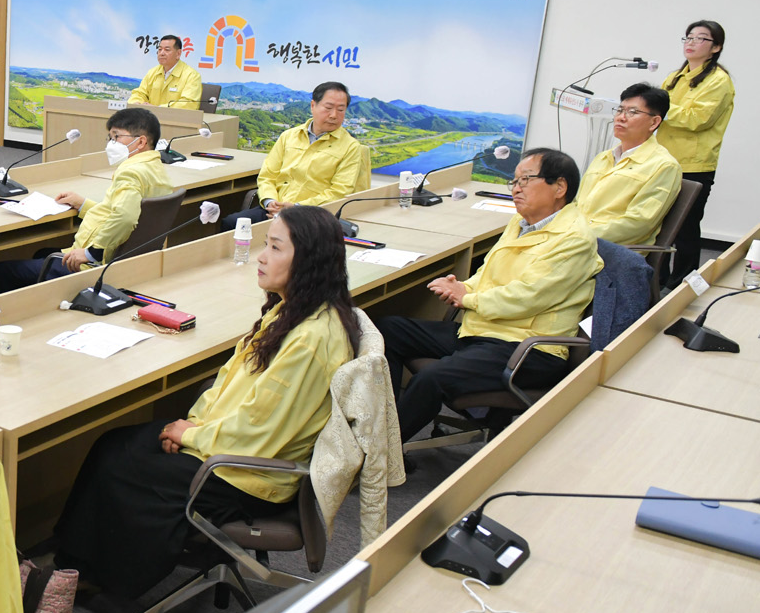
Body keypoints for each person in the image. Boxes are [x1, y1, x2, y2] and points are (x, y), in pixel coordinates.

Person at [53, 205, 360, 598]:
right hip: (227, 441)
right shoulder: (291, 310)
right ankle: (73, 567)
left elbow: (260, 431)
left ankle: (90, 578)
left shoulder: (311, 339)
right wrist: (192, 425)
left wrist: (190, 437)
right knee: (111, 444)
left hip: (249, 473)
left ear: (309, 261)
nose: (261, 256)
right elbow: (229, 380)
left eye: (275, 248)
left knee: (121, 465)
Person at [377, 148, 601, 443]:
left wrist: (466, 298)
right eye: (514, 181)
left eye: (526, 180)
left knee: (431, 379)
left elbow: (527, 297)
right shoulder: (520, 223)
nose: (516, 188)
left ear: (559, 187)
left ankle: (381, 457)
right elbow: (486, 273)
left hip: (526, 347)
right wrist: (463, 287)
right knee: (385, 330)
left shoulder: (574, 239)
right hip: (485, 329)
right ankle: (384, 425)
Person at [0, 107, 174, 292]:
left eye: (117, 137)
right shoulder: (156, 168)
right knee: (42, 253)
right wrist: (83, 205)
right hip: (129, 263)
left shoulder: (130, 172)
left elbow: (125, 217)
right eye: (110, 138)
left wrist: (93, 252)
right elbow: (121, 210)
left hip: (95, 266)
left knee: (2, 271)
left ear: (141, 142)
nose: (111, 144)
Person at [222, 81, 368, 230]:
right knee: (231, 223)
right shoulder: (289, 136)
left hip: (311, 216)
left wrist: (296, 208)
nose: (334, 115)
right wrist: (270, 201)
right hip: (274, 209)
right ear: (313, 105)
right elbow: (267, 176)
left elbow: (339, 192)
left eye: (341, 110)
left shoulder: (351, 147)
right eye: (328, 108)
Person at [659, 20, 733, 283]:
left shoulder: (718, 81)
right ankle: (657, 280)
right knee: (658, 224)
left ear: (716, 47)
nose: (691, 43)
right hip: (663, 159)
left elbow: (697, 119)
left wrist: (661, 108)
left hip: (694, 165)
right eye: (688, 37)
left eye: (700, 38)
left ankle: (683, 283)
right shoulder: (674, 77)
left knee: (685, 228)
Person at [575, 83, 682, 246]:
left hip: (609, 249)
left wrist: (578, 237)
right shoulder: (603, 157)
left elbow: (638, 223)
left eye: (632, 112)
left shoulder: (664, 166)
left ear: (654, 122)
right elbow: (577, 204)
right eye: (619, 110)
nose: (621, 117)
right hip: (576, 240)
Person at [128, 35, 203, 110]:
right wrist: (137, 103)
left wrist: (159, 109)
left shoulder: (192, 76)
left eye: (167, 50)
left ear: (178, 53)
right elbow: (140, 93)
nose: (161, 53)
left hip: (174, 117)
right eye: (160, 49)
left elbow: (189, 104)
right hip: (149, 116)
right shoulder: (152, 72)